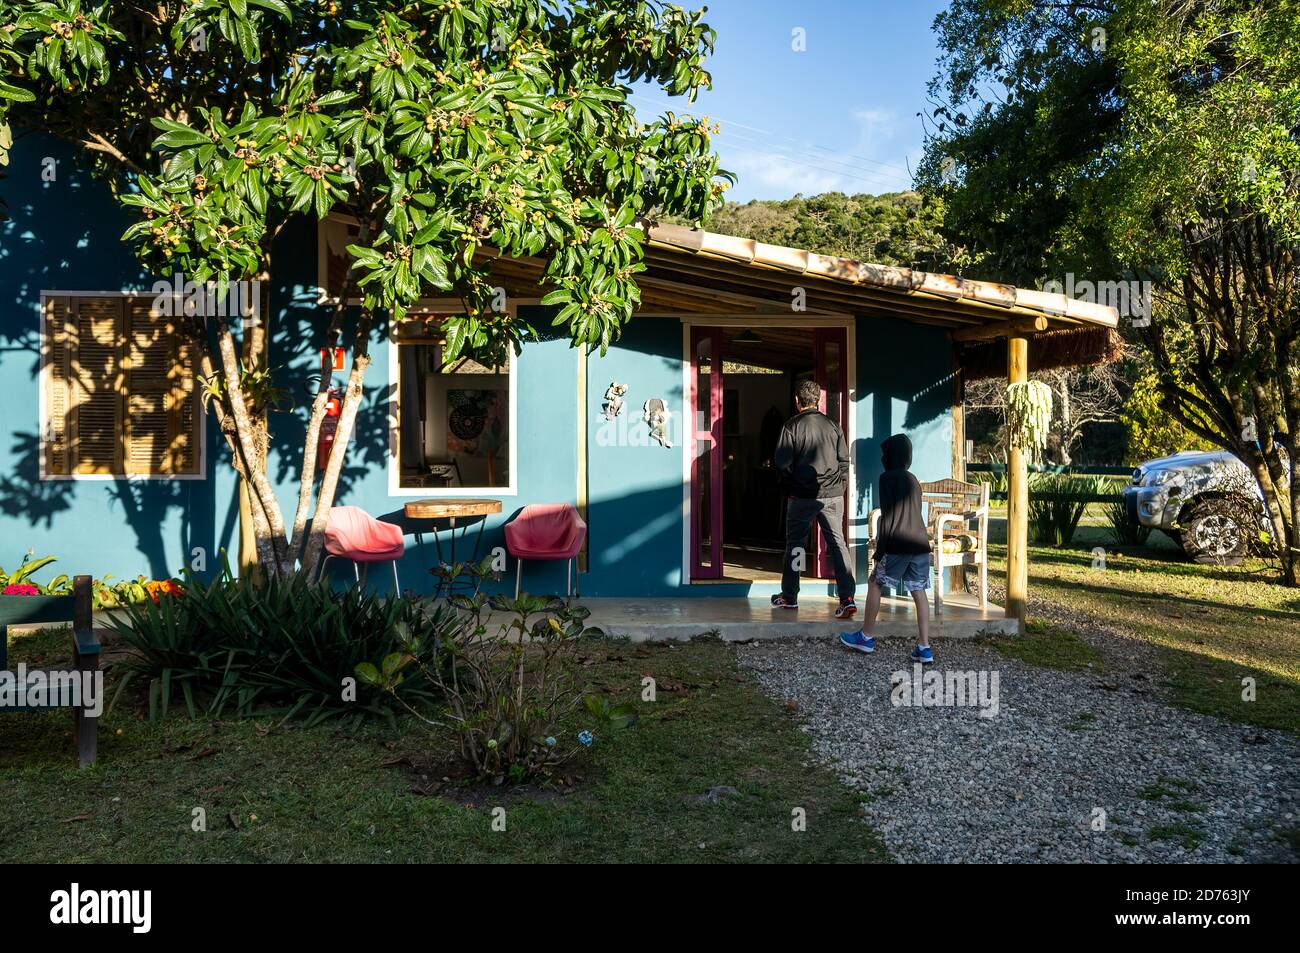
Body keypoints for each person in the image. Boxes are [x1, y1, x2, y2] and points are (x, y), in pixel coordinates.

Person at [840, 433, 934, 663]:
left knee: (875, 583)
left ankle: (866, 637)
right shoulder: (913, 479)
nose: (883, 457)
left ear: (890, 456)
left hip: (898, 545)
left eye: (885, 454)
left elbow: (890, 519)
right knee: (918, 591)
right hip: (920, 544)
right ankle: (924, 647)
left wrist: (880, 550)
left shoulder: (886, 478)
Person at [771, 378, 856, 618]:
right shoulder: (833, 425)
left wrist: (790, 489)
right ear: (818, 400)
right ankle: (847, 597)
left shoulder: (791, 426)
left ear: (797, 401)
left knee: (795, 546)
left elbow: (782, 464)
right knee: (838, 544)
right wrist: (839, 486)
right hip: (832, 496)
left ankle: (790, 596)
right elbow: (844, 461)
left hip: (801, 497)